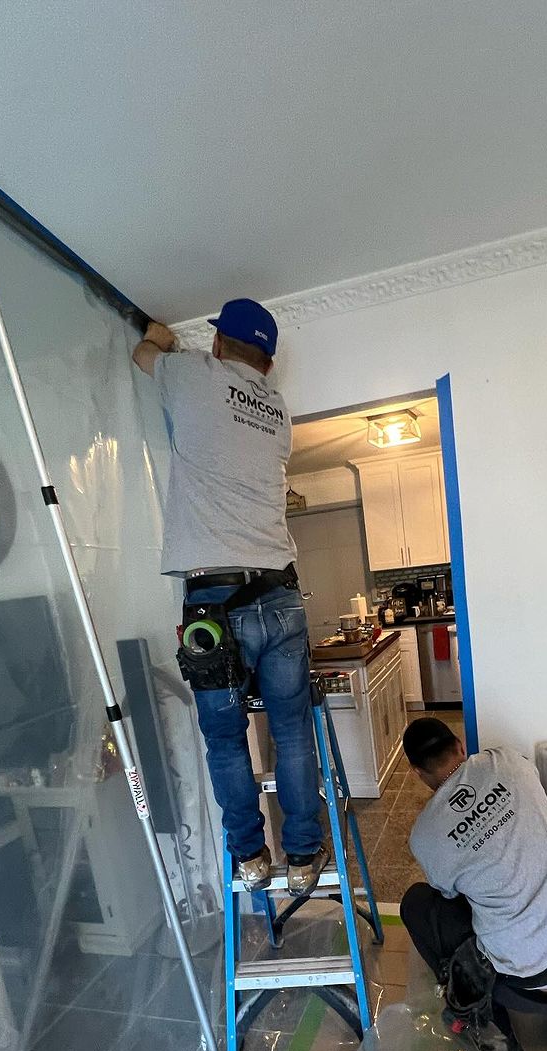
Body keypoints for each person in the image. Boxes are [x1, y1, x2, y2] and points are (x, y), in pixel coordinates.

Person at [132, 298, 326, 898]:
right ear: (267, 364)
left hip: (214, 601)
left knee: (225, 738)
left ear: (219, 345)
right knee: (291, 731)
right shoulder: (278, 411)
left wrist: (159, 335)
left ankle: (250, 858)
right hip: (281, 594)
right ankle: (302, 857)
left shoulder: (193, 374)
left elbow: (145, 354)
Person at [399, 717, 547, 1051]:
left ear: (416, 772)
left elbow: (448, 895)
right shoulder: (507, 761)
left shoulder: (425, 835)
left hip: (525, 987)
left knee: (420, 904)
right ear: (460, 745)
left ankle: (493, 1031)